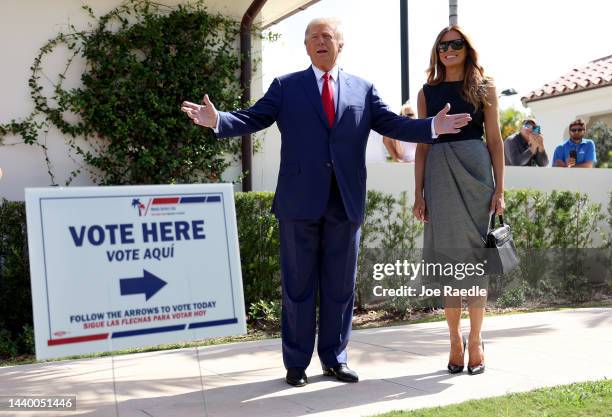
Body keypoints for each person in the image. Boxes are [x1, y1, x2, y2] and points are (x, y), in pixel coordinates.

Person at [182, 17, 471, 387]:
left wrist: (432, 127)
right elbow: (253, 118)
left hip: (345, 202)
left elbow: (391, 125)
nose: (320, 42)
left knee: (340, 287)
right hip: (299, 204)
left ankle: (335, 359)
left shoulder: (363, 89)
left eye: (327, 36)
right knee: (298, 287)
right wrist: (217, 120)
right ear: (305, 47)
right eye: (313, 37)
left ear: (340, 45)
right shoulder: (286, 87)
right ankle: (296, 364)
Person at [413, 26, 505, 375]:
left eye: (456, 44)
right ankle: (454, 339)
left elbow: (495, 141)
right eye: (442, 45)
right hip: (439, 174)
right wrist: (418, 192)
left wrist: (500, 189)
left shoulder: (485, 87)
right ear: (436, 52)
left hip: (477, 175)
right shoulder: (427, 92)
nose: (448, 50)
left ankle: (477, 338)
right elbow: (422, 146)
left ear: (467, 49)